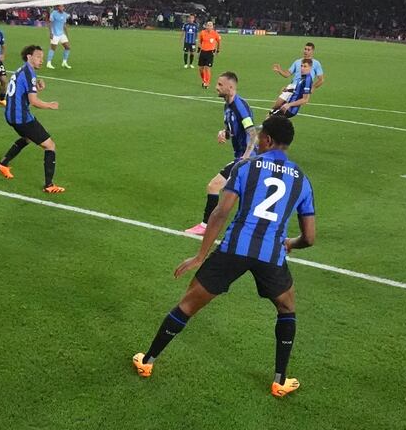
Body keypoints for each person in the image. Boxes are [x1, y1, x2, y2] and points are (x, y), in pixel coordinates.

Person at [133, 115, 316, 399]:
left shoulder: (246, 167)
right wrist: (290, 243)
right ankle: (280, 380)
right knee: (286, 307)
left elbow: (220, 213)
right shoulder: (302, 180)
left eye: (260, 137)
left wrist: (200, 256)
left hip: (234, 249)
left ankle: (147, 362)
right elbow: (310, 237)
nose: (257, 141)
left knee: (188, 304)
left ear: (267, 140)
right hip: (271, 255)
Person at [185, 72, 258, 236]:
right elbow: (234, 129)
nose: (216, 87)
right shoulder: (228, 106)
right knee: (244, 197)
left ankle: (206, 225)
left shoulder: (240, 107)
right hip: (243, 157)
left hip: (247, 158)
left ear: (230, 87)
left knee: (214, 185)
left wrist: (246, 157)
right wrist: (224, 133)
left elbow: (253, 135)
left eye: (220, 84)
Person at [0, 45, 65, 193]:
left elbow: (21, 93)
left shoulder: (22, 70)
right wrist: (50, 105)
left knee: (27, 138)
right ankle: (49, 185)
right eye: (38, 57)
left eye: (42, 57)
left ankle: (3, 164)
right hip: (21, 117)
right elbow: (34, 101)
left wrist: (37, 89)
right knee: (50, 146)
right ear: (29, 57)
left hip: (10, 115)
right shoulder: (29, 73)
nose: (41, 60)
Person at [271, 42, 324, 110]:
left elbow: (321, 80)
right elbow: (287, 74)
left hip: (301, 88)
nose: (306, 51)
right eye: (305, 49)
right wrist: (279, 70)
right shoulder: (297, 62)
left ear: (312, 51)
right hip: (292, 86)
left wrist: (313, 87)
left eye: (308, 50)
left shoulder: (316, 63)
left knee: (286, 109)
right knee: (276, 106)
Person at [197, 20, 221, 88]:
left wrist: (218, 50)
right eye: (208, 25)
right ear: (206, 26)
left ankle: (207, 83)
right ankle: (204, 80)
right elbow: (200, 42)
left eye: (210, 25)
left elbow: (219, 42)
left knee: (207, 68)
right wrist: (198, 51)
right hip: (203, 52)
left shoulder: (215, 34)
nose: (209, 27)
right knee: (201, 69)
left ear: (212, 27)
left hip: (210, 52)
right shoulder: (202, 33)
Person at [46, 5, 71, 69]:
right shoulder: (54, 13)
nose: (61, 8)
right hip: (54, 34)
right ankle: (48, 63)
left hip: (62, 34)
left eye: (62, 6)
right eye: (60, 6)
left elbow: (64, 25)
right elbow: (50, 23)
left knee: (68, 47)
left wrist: (67, 34)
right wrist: (51, 33)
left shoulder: (65, 14)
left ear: (64, 7)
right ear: (58, 7)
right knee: (53, 48)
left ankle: (64, 62)